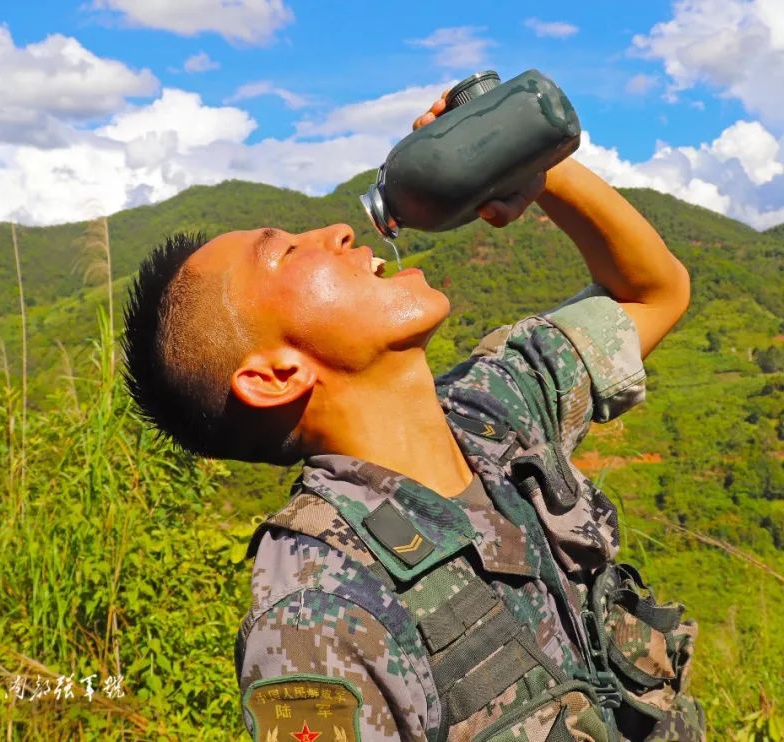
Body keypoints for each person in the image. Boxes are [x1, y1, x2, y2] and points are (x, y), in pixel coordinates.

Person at [122, 89, 702, 741]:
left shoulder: (495, 411)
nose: (338, 231)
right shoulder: (315, 612)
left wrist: (530, 167)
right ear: (275, 376)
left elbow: (655, 291)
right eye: (284, 254)